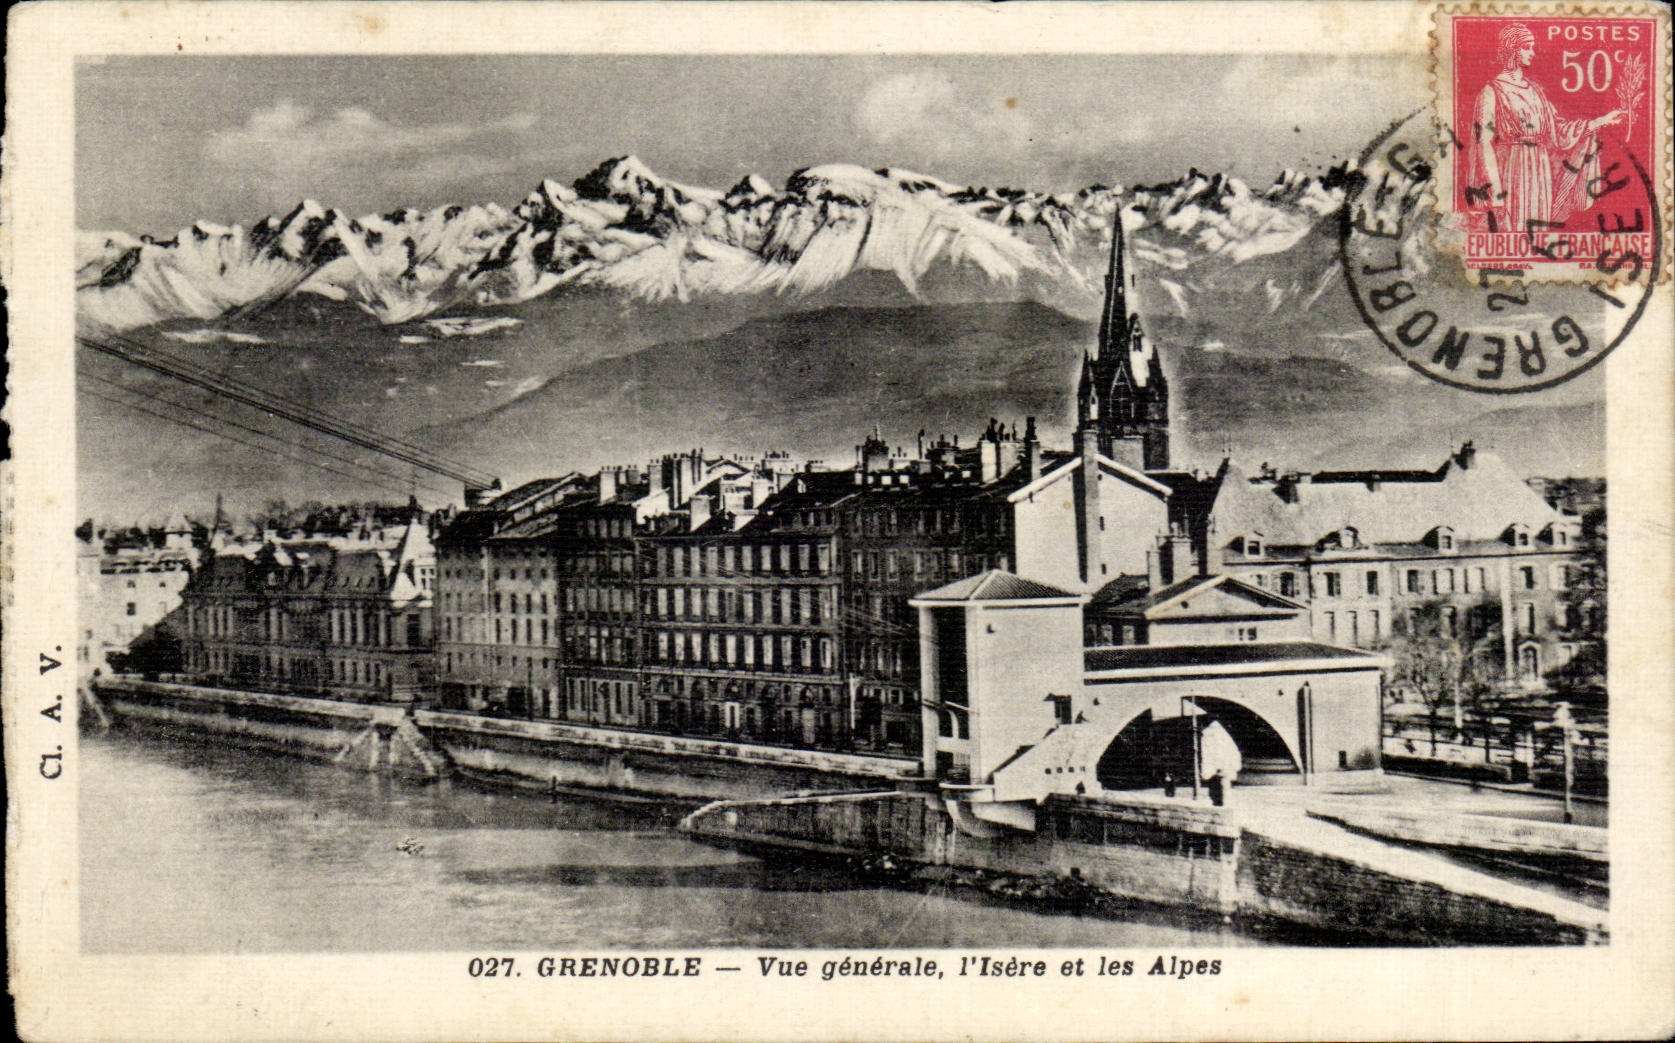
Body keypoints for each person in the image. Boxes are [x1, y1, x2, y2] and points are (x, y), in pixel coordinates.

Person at [1472, 23, 1626, 235]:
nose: (1533, 53)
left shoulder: (1535, 91)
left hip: (1539, 172)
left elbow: (1559, 130)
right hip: (1511, 170)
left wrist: (1601, 121)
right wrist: (1496, 196)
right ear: (1514, 50)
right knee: (1513, 232)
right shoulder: (1491, 92)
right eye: (1528, 47)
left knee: (1538, 234)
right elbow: (1483, 146)